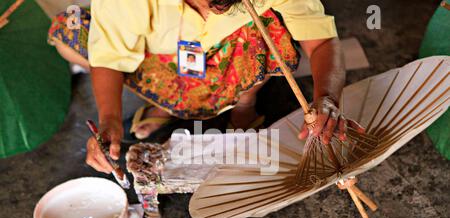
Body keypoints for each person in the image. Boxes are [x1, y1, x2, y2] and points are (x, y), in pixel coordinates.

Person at [48, 0, 363, 174]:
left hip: (232, 50)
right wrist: (110, 120)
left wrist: (327, 98)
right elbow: (110, 57)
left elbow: (321, 40)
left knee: (269, 27)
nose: (213, 11)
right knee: (70, 31)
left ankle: (244, 101)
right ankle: (170, 102)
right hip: (163, 58)